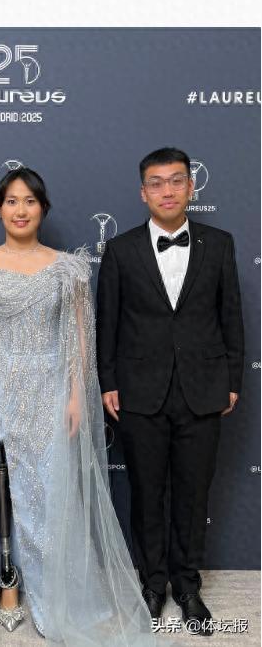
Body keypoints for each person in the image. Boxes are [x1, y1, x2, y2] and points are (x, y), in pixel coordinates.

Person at [0, 167, 154, 645]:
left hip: (54, 386)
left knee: (52, 486)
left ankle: (55, 583)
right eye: (11, 201)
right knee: (2, 482)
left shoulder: (68, 268)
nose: (20, 210)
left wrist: (78, 395)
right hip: (0, 384)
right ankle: (7, 581)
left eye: (30, 201)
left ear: (43, 208)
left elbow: (82, 338)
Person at [96, 147, 244, 636]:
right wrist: (108, 381)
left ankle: (188, 585)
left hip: (204, 389)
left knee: (193, 494)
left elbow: (231, 316)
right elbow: (107, 322)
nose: (167, 191)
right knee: (146, 492)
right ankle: (153, 583)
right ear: (143, 192)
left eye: (176, 181)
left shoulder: (219, 244)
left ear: (191, 187)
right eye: (156, 183)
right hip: (139, 391)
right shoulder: (121, 250)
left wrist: (233, 380)